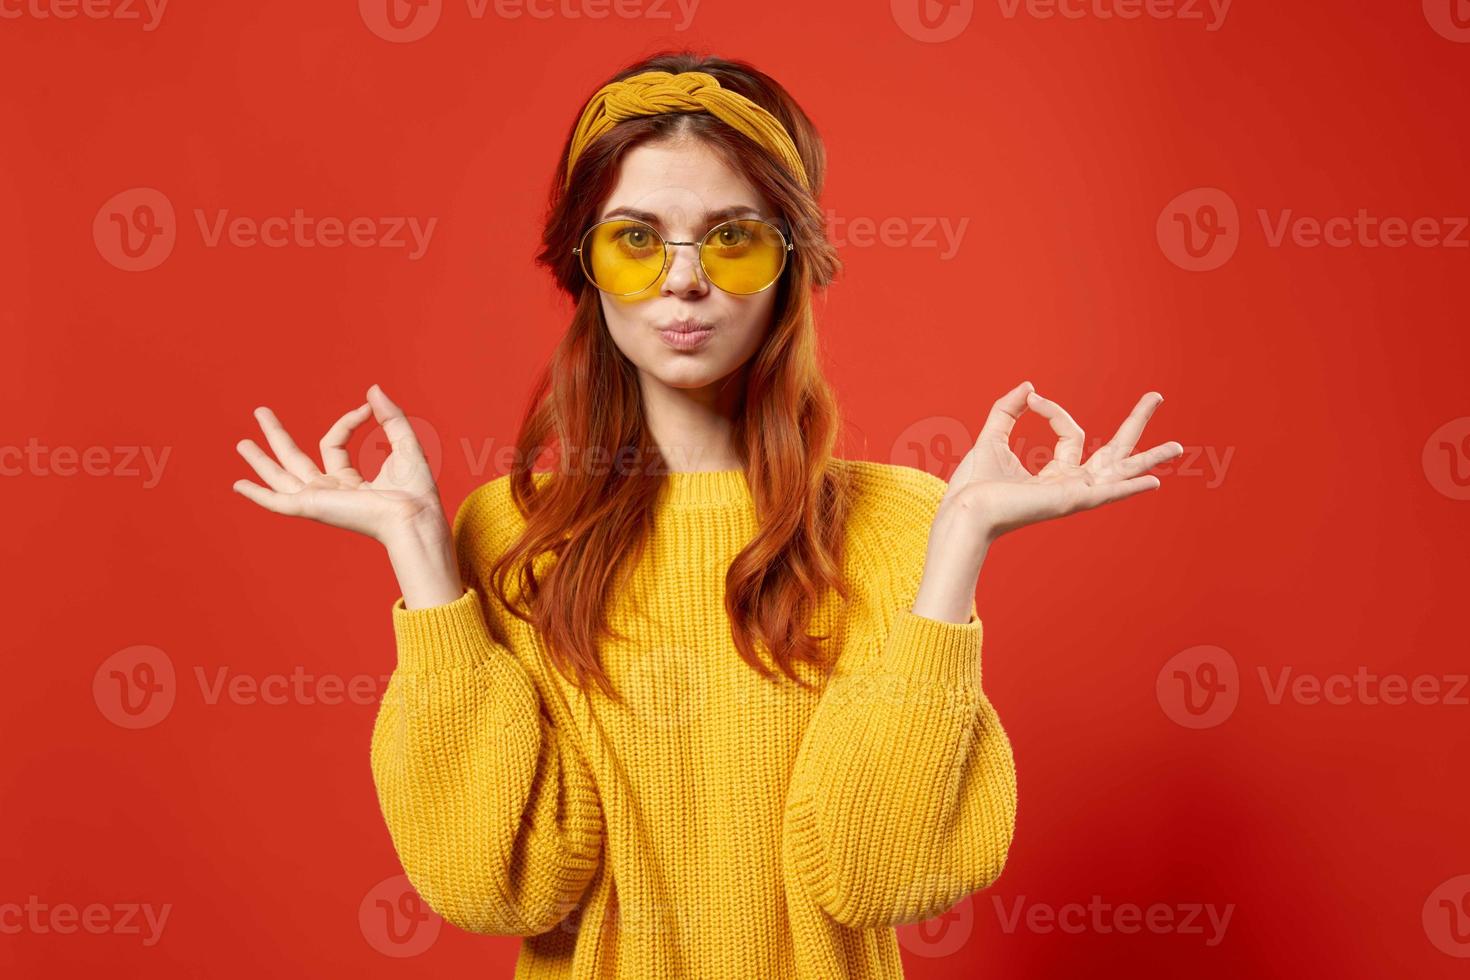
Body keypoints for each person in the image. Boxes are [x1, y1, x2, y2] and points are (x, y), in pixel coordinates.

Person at [231, 50, 1181, 979]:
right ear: (585, 266)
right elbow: (498, 888)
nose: (684, 281)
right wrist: (423, 564)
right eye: (636, 239)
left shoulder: (902, 524)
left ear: (791, 264)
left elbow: (875, 874)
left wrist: (958, 545)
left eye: (733, 237)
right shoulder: (508, 534)